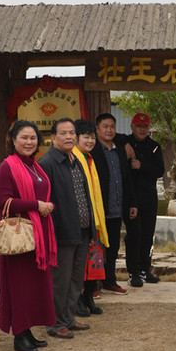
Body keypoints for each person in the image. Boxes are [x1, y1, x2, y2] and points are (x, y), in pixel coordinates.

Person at [0, 120, 57, 351]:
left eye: (33, 138)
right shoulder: (7, 166)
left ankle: (28, 331)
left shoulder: (35, 166)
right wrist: (36, 204)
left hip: (38, 236)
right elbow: (4, 202)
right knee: (20, 287)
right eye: (24, 138)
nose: (29, 142)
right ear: (13, 139)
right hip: (19, 238)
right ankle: (19, 336)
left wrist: (48, 205)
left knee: (33, 287)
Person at [38, 118, 94, 339]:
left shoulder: (75, 160)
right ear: (53, 137)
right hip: (61, 232)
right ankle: (55, 323)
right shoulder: (47, 163)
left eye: (72, 133)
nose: (69, 137)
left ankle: (69, 318)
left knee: (75, 278)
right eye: (64, 133)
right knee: (60, 280)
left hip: (82, 229)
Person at [90, 113, 137, 296]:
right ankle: (92, 285)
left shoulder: (119, 150)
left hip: (116, 208)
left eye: (112, 126)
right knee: (94, 247)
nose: (109, 130)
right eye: (105, 126)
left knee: (113, 248)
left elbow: (126, 179)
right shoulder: (92, 150)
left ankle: (110, 281)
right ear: (97, 129)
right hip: (98, 209)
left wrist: (132, 202)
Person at [122, 113, 164, 287]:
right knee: (134, 235)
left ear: (149, 127)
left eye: (145, 126)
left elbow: (160, 170)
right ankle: (133, 272)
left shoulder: (154, 146)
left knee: (147, 235)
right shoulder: (124, 143)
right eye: (138, 126)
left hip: (149, 197)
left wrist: (142, 166)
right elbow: (114, 136)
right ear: (132, 127)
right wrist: (125, 144)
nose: (142, 129)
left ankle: (145, 270)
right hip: (130, 198)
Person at [73, 119, 108, 317]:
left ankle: (89, 296)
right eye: (86, 137)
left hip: (93, 220)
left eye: (92, 137)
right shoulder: (74, 158)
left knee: (94, 263)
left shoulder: (89, 158)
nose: (90, 141)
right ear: (76, 138)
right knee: (79, 265)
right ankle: (77, 299)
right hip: (81, 221)